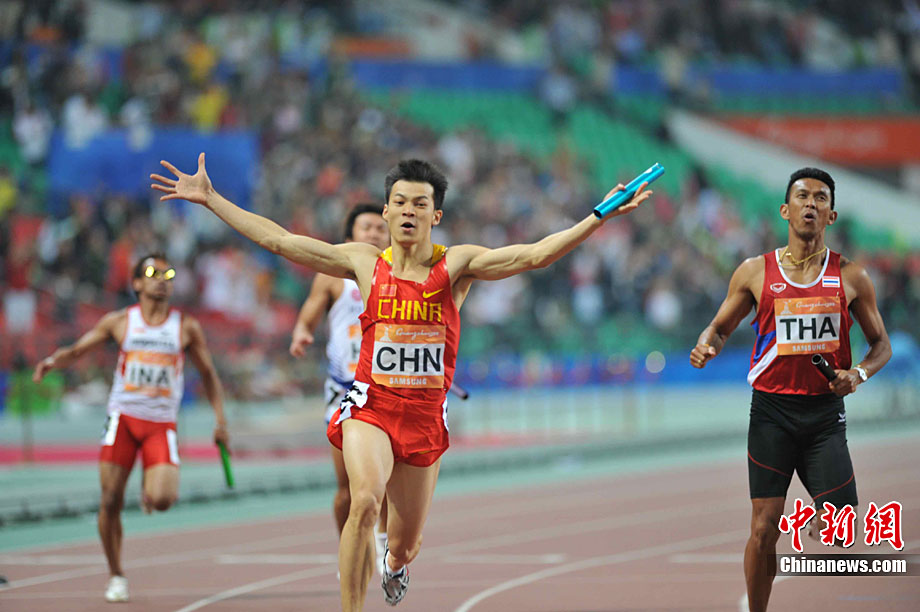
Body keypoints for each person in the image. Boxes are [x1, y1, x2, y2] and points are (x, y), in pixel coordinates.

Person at [151, 154, 651, 611]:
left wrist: (598, 216)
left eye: (420, 204)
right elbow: (280, 241)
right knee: (365, 500)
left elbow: (535, 255)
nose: (409, 210)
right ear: (386, 212)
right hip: (371, 406)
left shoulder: (457, 265)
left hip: (425, 418)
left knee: (406, 542)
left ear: (436, 216)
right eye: (400, 202)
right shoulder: (364, 263)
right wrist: (212, 200)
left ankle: (394, 562)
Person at [688, 168, 891, 612]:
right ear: (785, 209)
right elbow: (718, 328)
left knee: (841, 529)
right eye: (802, 196)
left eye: (821, 198)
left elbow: (881, 345)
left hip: (824, 415)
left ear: (831, 215)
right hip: (771, 414)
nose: (811, 203)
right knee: (764, 528)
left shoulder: (852, 277)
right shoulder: (754, 272)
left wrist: (857, 374)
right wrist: (707, 344)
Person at [33, 253, 229, 603]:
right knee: (110, 499)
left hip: (161, 424)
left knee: (163, 500)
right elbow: (78, 350)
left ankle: (149, 487)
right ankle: (116, 574)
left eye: (168, 274)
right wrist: (52, 361)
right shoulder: (121, 321)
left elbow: (209, 374)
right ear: (136, 282)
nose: (161, 280)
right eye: (152, 273)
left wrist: (220, 421)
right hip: (123, 418)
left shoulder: (185, 327)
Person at [289, 203, 392, 575]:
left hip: (384, 388)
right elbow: (310, 313)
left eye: (380, 228)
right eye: (366, 228)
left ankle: (381, 543)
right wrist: (302, 332)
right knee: (347, 487)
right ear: (350, 237)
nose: (374, 234)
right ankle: (349, 550)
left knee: (383, 481)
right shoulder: (332, 277)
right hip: (343, 388)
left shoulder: (400, 274)